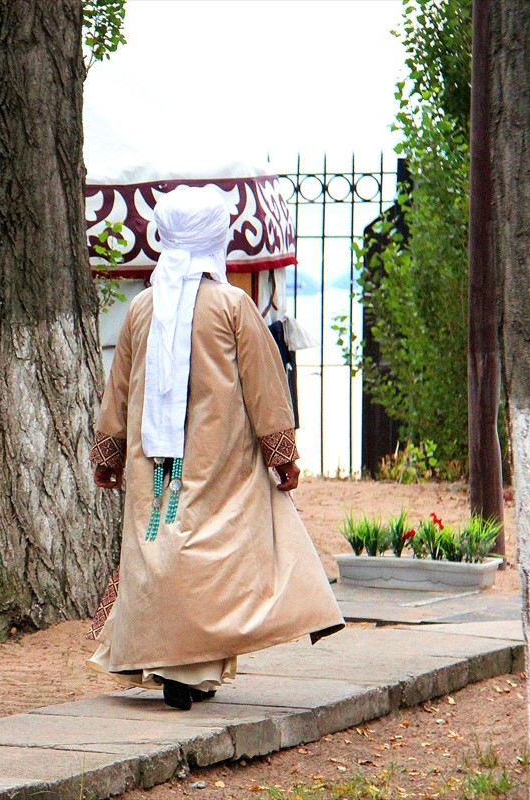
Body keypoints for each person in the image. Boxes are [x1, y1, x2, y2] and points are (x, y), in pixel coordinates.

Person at [87, 185, 344, 710]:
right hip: (218, 462)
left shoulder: (142, 308)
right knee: (212, 553)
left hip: (156, 467)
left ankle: (178, 667)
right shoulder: (232, 306)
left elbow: (118, 390)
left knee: (161, 546)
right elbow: (267, 386)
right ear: (213, 238)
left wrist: (108, 454)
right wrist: (282, 455)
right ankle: (192, 669)